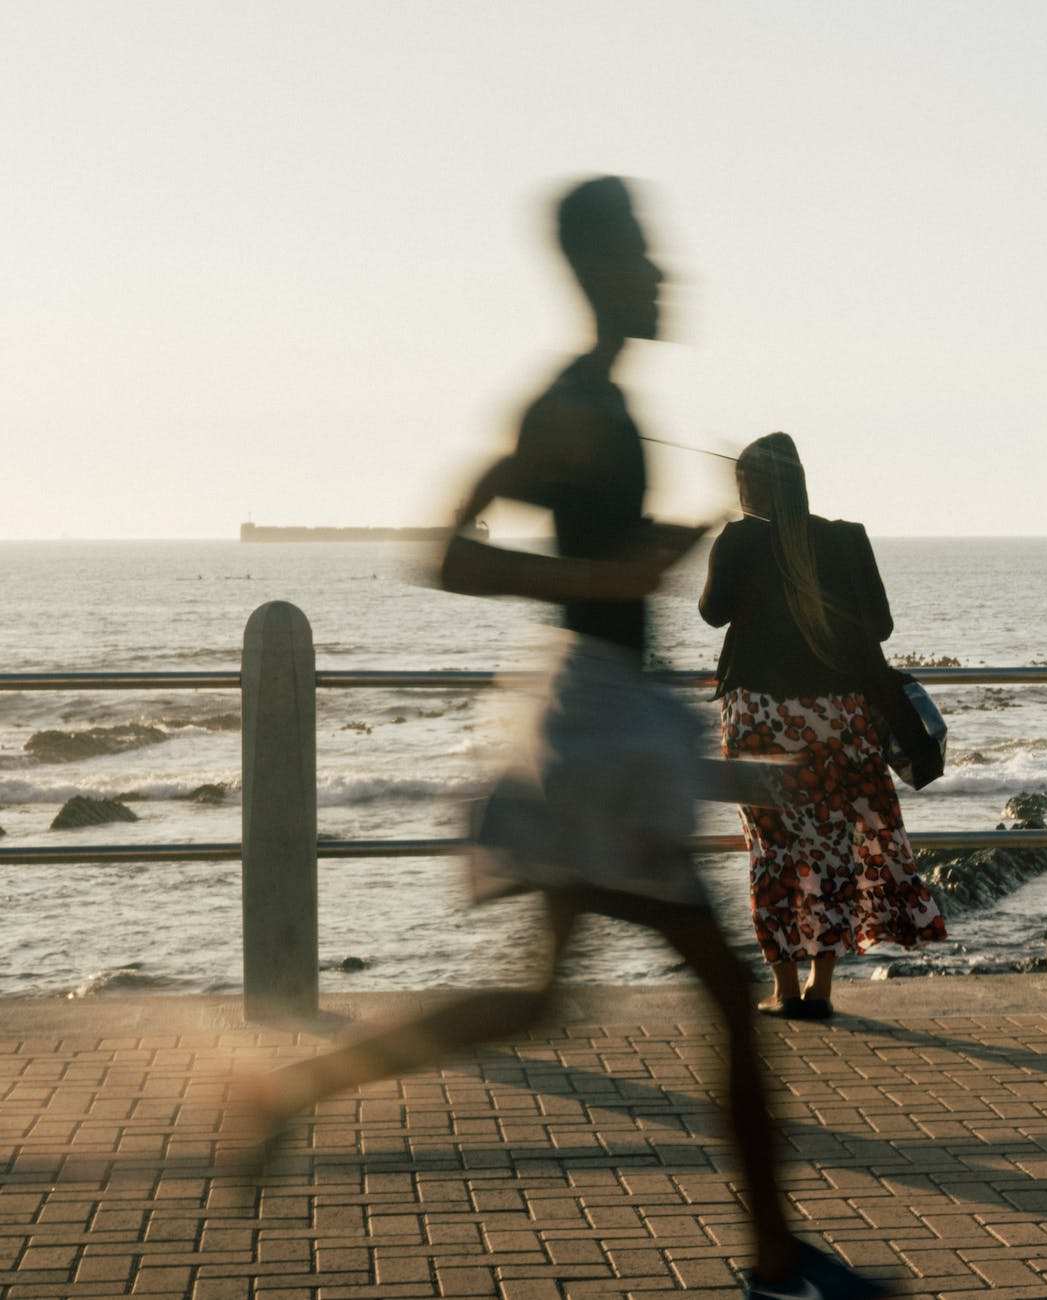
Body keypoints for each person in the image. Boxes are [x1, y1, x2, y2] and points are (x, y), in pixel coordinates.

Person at [232, 178, 890, 1300]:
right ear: (593, 268)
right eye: (639, 251)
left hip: (601, 716)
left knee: (544, 1000)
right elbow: (443, 551)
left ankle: (287, 1092)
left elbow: (577, 561)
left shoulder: (603, 401)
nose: (661, 270)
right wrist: (609, 573)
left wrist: (644, 549)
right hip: (594, 723)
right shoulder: (573, 404)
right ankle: (778, 1263)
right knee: (727, 995)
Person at [700, 433, 946, 1020]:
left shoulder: (740, 538)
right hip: (837, 718)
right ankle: (821, 988)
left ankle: (783, 987)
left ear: (752, 487)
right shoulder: (846, 539)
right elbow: (880, 627)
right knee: (831, 849)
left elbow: (712, 612)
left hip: (758, 717)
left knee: (772, 851)